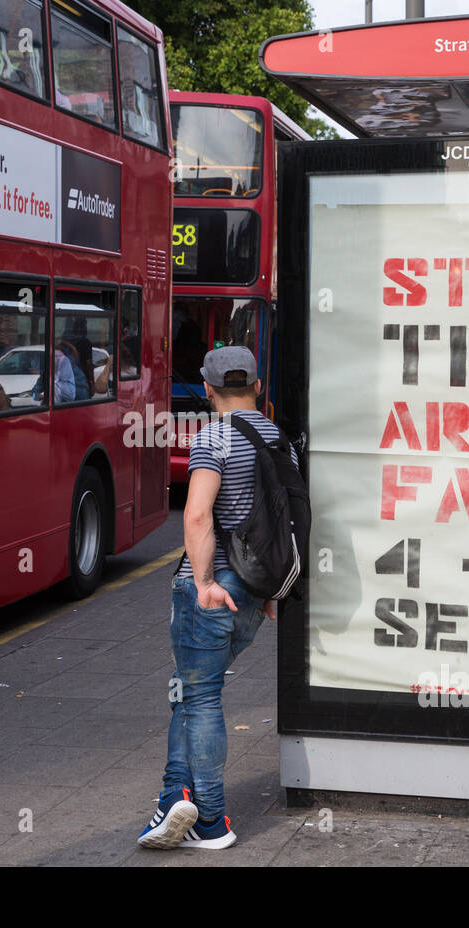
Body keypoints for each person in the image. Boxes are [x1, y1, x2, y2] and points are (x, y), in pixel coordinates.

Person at [137, 345, 295, 851]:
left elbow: (198, 515)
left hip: (214, 591)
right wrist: (272, 591)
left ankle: (209, 820)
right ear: (258, 386)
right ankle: (173, 795)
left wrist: (204, 583)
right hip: (254, 593)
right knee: (188, 690)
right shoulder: (280, 441)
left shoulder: (214, 438)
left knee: (199, 697)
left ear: (206, 389)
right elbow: (286, 521)